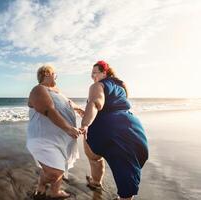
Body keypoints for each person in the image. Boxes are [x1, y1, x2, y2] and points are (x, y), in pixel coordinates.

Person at [80, 60, 149, 200]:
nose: (93, 76)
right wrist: (84, 112)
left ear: (104, 73)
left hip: (106, 129)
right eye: (91, 74)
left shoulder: (97, 86)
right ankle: (125, 197)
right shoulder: (122, 86)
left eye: (95, 73)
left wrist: (85, 124)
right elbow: (114, 106)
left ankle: (96, 182)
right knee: (127, 165)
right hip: (131, 126)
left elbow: (95, 103)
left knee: (95, 158)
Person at [27, 65, 84, 199]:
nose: (56, 77)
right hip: (43, 138)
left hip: (61, 139)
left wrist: (78, 109)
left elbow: (68, 102)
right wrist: (69, 128)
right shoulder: (39, 89)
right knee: (55, 171)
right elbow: (48, 110)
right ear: (47, 73)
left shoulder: (58, 93)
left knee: (60, 166)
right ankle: (42, 183)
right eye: (55, 74)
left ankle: (55, 191)